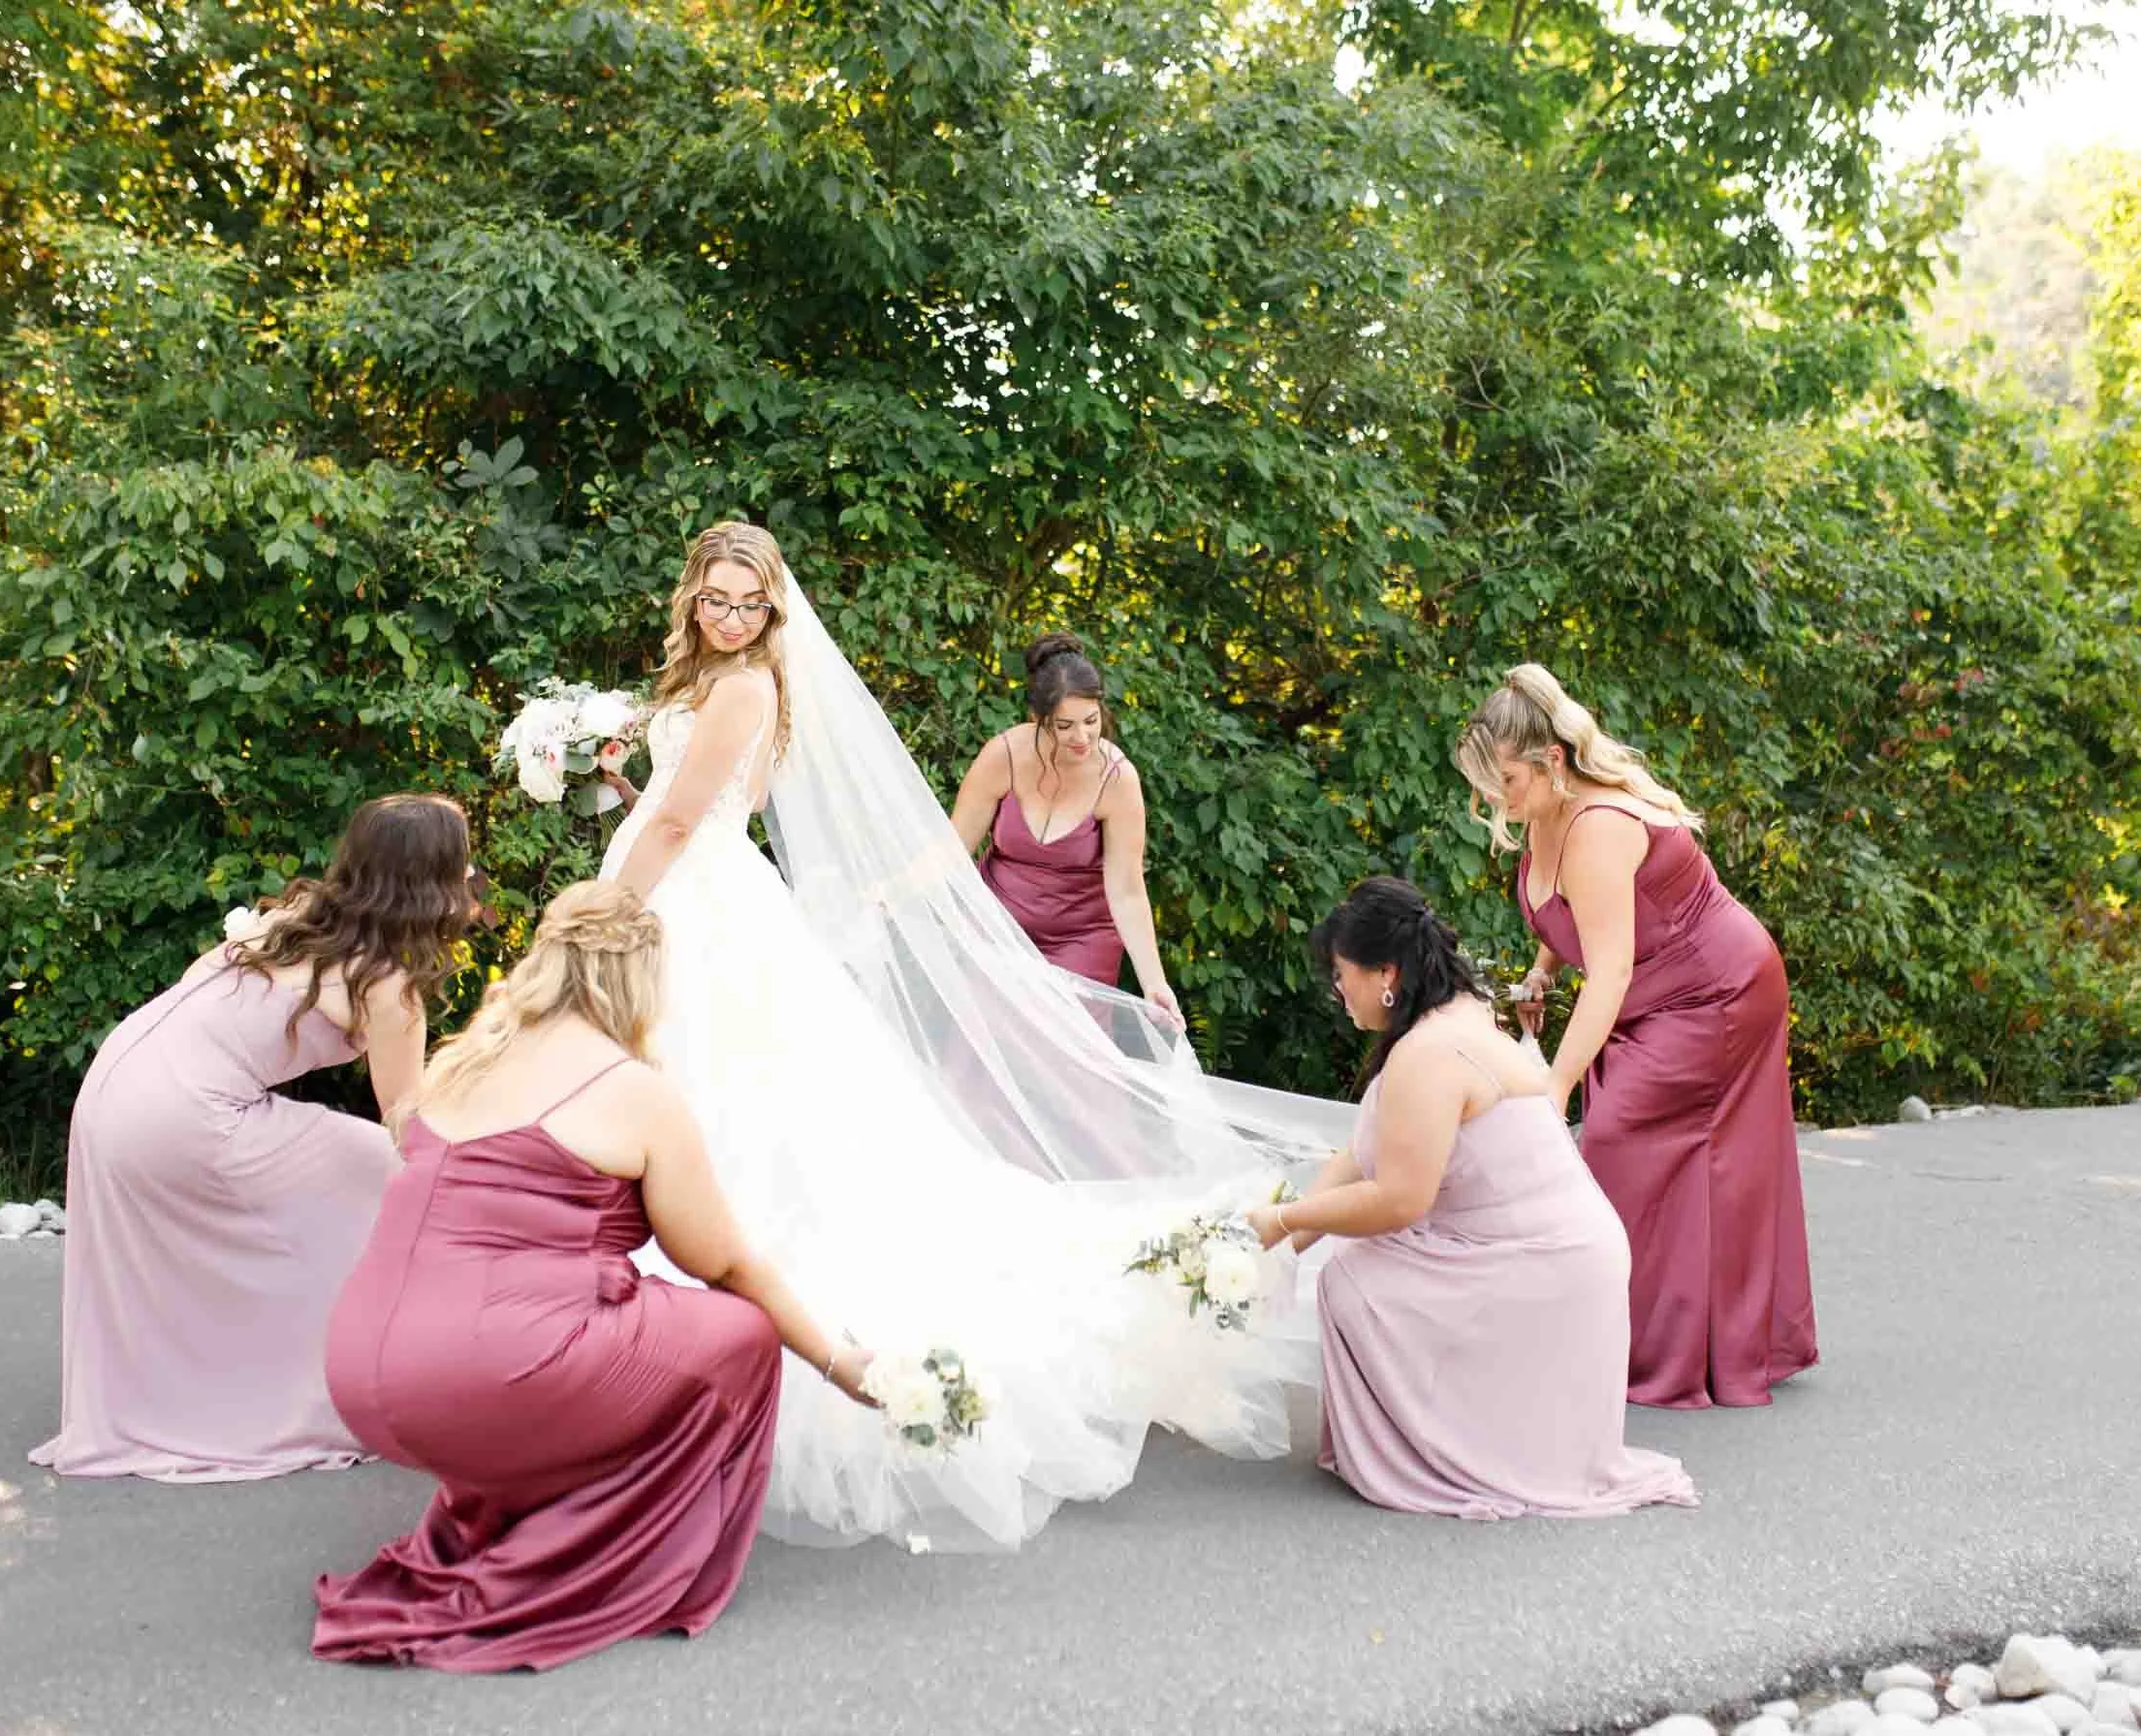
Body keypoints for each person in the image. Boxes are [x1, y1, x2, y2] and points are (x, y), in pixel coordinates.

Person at [591, 521, 1356, 1553]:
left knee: (734, 1100)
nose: (730, 617)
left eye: (749, 604)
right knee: (711, 1090)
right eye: (716, 600)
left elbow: (696, 824)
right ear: (690, 596)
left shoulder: (745, 687)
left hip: (729, 906)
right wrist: (619, 790)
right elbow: (705, 808)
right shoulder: (716, 684)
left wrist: (602, 917)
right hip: (703, 897)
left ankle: (695, 1311)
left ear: (772, 611)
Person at [312, 882, 874, 1672]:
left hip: (359, 1368)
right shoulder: (631, 1090)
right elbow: (725, 1263)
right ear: (638, 980)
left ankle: (524, 1506)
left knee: (594, 1319)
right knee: (737, 1334)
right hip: (474, 1375)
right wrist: (832, 1357)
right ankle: (600, 1559)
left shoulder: (468, 1061)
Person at [30, 793, 474, 1480]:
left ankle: (265, 1372)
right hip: (183, 1110)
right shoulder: (389, 984)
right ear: (436, 880)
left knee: (321, 1191)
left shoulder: (296, 922)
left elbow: (198, 981)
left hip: (119, 1081)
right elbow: (405, 1123)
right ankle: (368, 1378)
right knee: (378, 1178)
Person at [1247, 877, 1698, 1520]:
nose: (1336, 989)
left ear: (1386, 973)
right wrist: (1287, 1240)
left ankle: (1441, 1449)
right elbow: (1360, 1155)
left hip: (1551, 1265)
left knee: (1353, 1277)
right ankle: (1448, 1430)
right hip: (1555, 1252)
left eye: (1341, 973)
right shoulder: (1450, 1015)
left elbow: (1399, 1199)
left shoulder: (1429, 1052)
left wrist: (1288, 1217)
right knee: (1355, 1256)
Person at [1455, 664, 1817, 1408]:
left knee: (1614, 1137)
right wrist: (1543, 971)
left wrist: (1553, 1084)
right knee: (1642, 1150)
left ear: (1552, 761)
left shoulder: (1600, 826)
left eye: (1507, 781)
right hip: (1653, 998)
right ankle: (1649, 1334)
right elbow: (1572, 922)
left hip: (1719, 993)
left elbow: (1612, 970)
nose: (1494, 799)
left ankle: (1646, 1348)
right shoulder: (1545, 818)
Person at [949, 633, 1179, 1025]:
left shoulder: (1117, 778)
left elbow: (1125, 890)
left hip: (1081, 940)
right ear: (1038, 720)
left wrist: (1154, 981)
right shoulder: (1003, 755)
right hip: (998, 928)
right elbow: (951, 851)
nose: (1082, 737)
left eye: (1091, 721)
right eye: (1065, 725)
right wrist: (893, 892)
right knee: (982, 1045)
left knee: (1064, 1059)